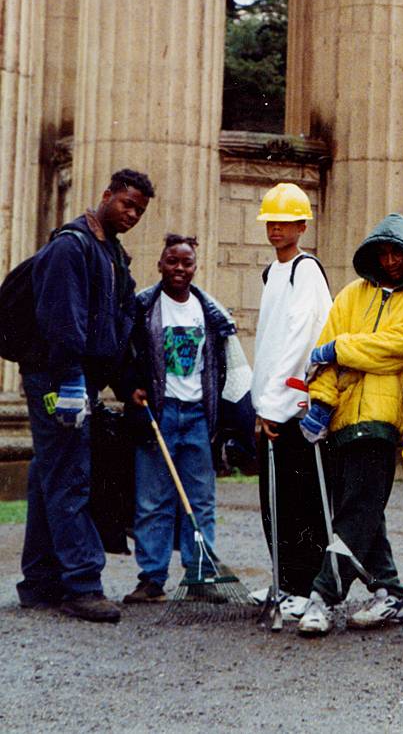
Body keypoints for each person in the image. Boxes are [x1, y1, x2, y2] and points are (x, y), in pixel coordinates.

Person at [17, 168, 155, 622]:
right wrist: (72, 381)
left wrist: (125, 384)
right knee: (71, 472)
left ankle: (39, 581)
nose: (131, 213)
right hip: (57, 382)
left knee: (49, 472)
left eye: (139, 209)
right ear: (106, 196)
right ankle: (82, 584)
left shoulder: (111, 253)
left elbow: (116, 325)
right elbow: (64, 321)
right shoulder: (70, 247)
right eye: (126, 203)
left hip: (77, 379)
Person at [296, 212, 403, 637]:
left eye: (399, 252)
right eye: (384, 252)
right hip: (340, 418)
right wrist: (320, 405)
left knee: (358, 508)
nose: (392, 260)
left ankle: (323, 596)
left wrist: (339, 349)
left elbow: (397, 349)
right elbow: (321, 361)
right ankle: (389, 591)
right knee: (360, 511)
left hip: (381, 419)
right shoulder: (349, 296)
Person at [122, 233, 239, 604]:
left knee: (200, 499)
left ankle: (200, 574)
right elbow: (123, 355)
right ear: (160, 264)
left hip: (197, 416)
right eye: (172, 261)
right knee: (153, 500)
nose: (179, 269)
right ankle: (152, 578)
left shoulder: (210, 312)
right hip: (159, 413)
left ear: (195, 267)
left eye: (186, 262)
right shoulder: (142, 308)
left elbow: (223, 366)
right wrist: (131, 388)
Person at [250, 183, 332, 620]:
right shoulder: (273, 272)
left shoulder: (306, 270)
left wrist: (274, 403)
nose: (277, 228)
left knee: (300, 502)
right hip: (268, 407)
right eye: (271, 221)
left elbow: (302, 341)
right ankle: (283, 579)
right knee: (273, 499)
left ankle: (303, 585)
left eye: (285, 221)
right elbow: (268, 342)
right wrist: (259, 402)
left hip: (292, 408)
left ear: (302, 225)